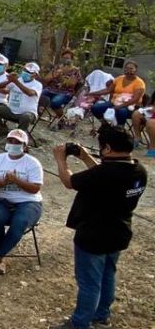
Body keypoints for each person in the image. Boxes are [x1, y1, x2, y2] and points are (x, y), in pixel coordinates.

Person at [53, 126, 147, 329]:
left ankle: (80, 324)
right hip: (118, 232)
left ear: (107, 148)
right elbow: (103, 174)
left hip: (93, 235)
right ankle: (101, 315)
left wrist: (60, 158)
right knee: (107, 276)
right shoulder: (139, 170)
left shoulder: (104, 173)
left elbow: (69, 181)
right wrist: (86, 157)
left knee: (89, 283)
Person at [0, 128, 43, 276]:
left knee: (19, 222)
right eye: (10, 141)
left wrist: (17, 180)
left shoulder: (32, 162)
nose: (13, 144)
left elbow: (35, 188)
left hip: (29, 202)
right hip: (3, 199)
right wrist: (4, 182)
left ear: (25, 146)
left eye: (18, 142)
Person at [0, 62, 42, 140]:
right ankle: (3, 132)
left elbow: (30, 93)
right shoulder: (17, 79)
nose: (26, 73)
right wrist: (9, 80)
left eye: (29, 72)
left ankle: (17, 139)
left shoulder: (37, 84)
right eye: (25, 70)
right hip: (11, 110)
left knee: (26, 117)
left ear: (35, 75)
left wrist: (15, 81)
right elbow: (0, 86)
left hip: (28, 113)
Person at [90, 59, 145, 125]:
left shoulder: (139, 83)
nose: (128, 70)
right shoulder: (119, 78)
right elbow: (108, 90)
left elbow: (134, 100)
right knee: (95, 108)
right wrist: (91, 93)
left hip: (130, 107)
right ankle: (105, 124)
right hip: (114, 103)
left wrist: (119, 106)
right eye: (126, 68)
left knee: (121, 111)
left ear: (135, 70)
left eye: (131, 68)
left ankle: (119, 128)